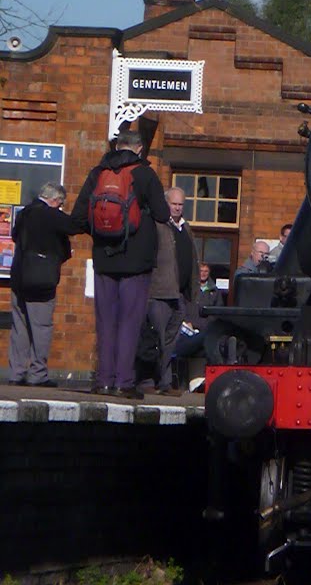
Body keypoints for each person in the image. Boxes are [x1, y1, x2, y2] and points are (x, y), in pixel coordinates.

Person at [71, 129, 170, 399]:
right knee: (130, 321)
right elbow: (162, 214)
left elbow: (79, 218)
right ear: (139, 149)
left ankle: (103, 380)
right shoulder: (144, 173)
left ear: (117, 146)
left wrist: (102, 233)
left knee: (106, 322)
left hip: (104, 258)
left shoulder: (97, 173)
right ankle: (124, 382)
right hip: (136, 260)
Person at [8, 182, 83, 387]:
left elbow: (15, 236)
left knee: (20, 327)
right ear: (55, 200)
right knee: (41, 327)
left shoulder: (24, 214)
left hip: (19, 277)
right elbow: (74, 226)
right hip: (41, 280)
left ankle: (16, 373)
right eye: (60, 203)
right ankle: (37, 374)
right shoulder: (52, 215)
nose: (60, 206)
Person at [144, 187, 199, 395]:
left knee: (171, 340)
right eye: (174, 204)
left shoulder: (186, 228)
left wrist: (192, 291)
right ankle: (150, 380)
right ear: (166, 203)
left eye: (180, 204)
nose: (177, 208)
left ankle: (164, 382)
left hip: (180, 294)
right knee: (156, 339)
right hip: (160, 291)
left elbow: (193, 260)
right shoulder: (158, 226)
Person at [174, 262, 224, 359]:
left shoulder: (215, 291)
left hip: (204, 330)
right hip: (186, 328)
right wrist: (187, 322)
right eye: (201, 271)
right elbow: (181, 307)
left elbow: (217, 313)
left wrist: (202, 326)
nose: (203, 273)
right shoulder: (188, 289)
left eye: (206, 271)